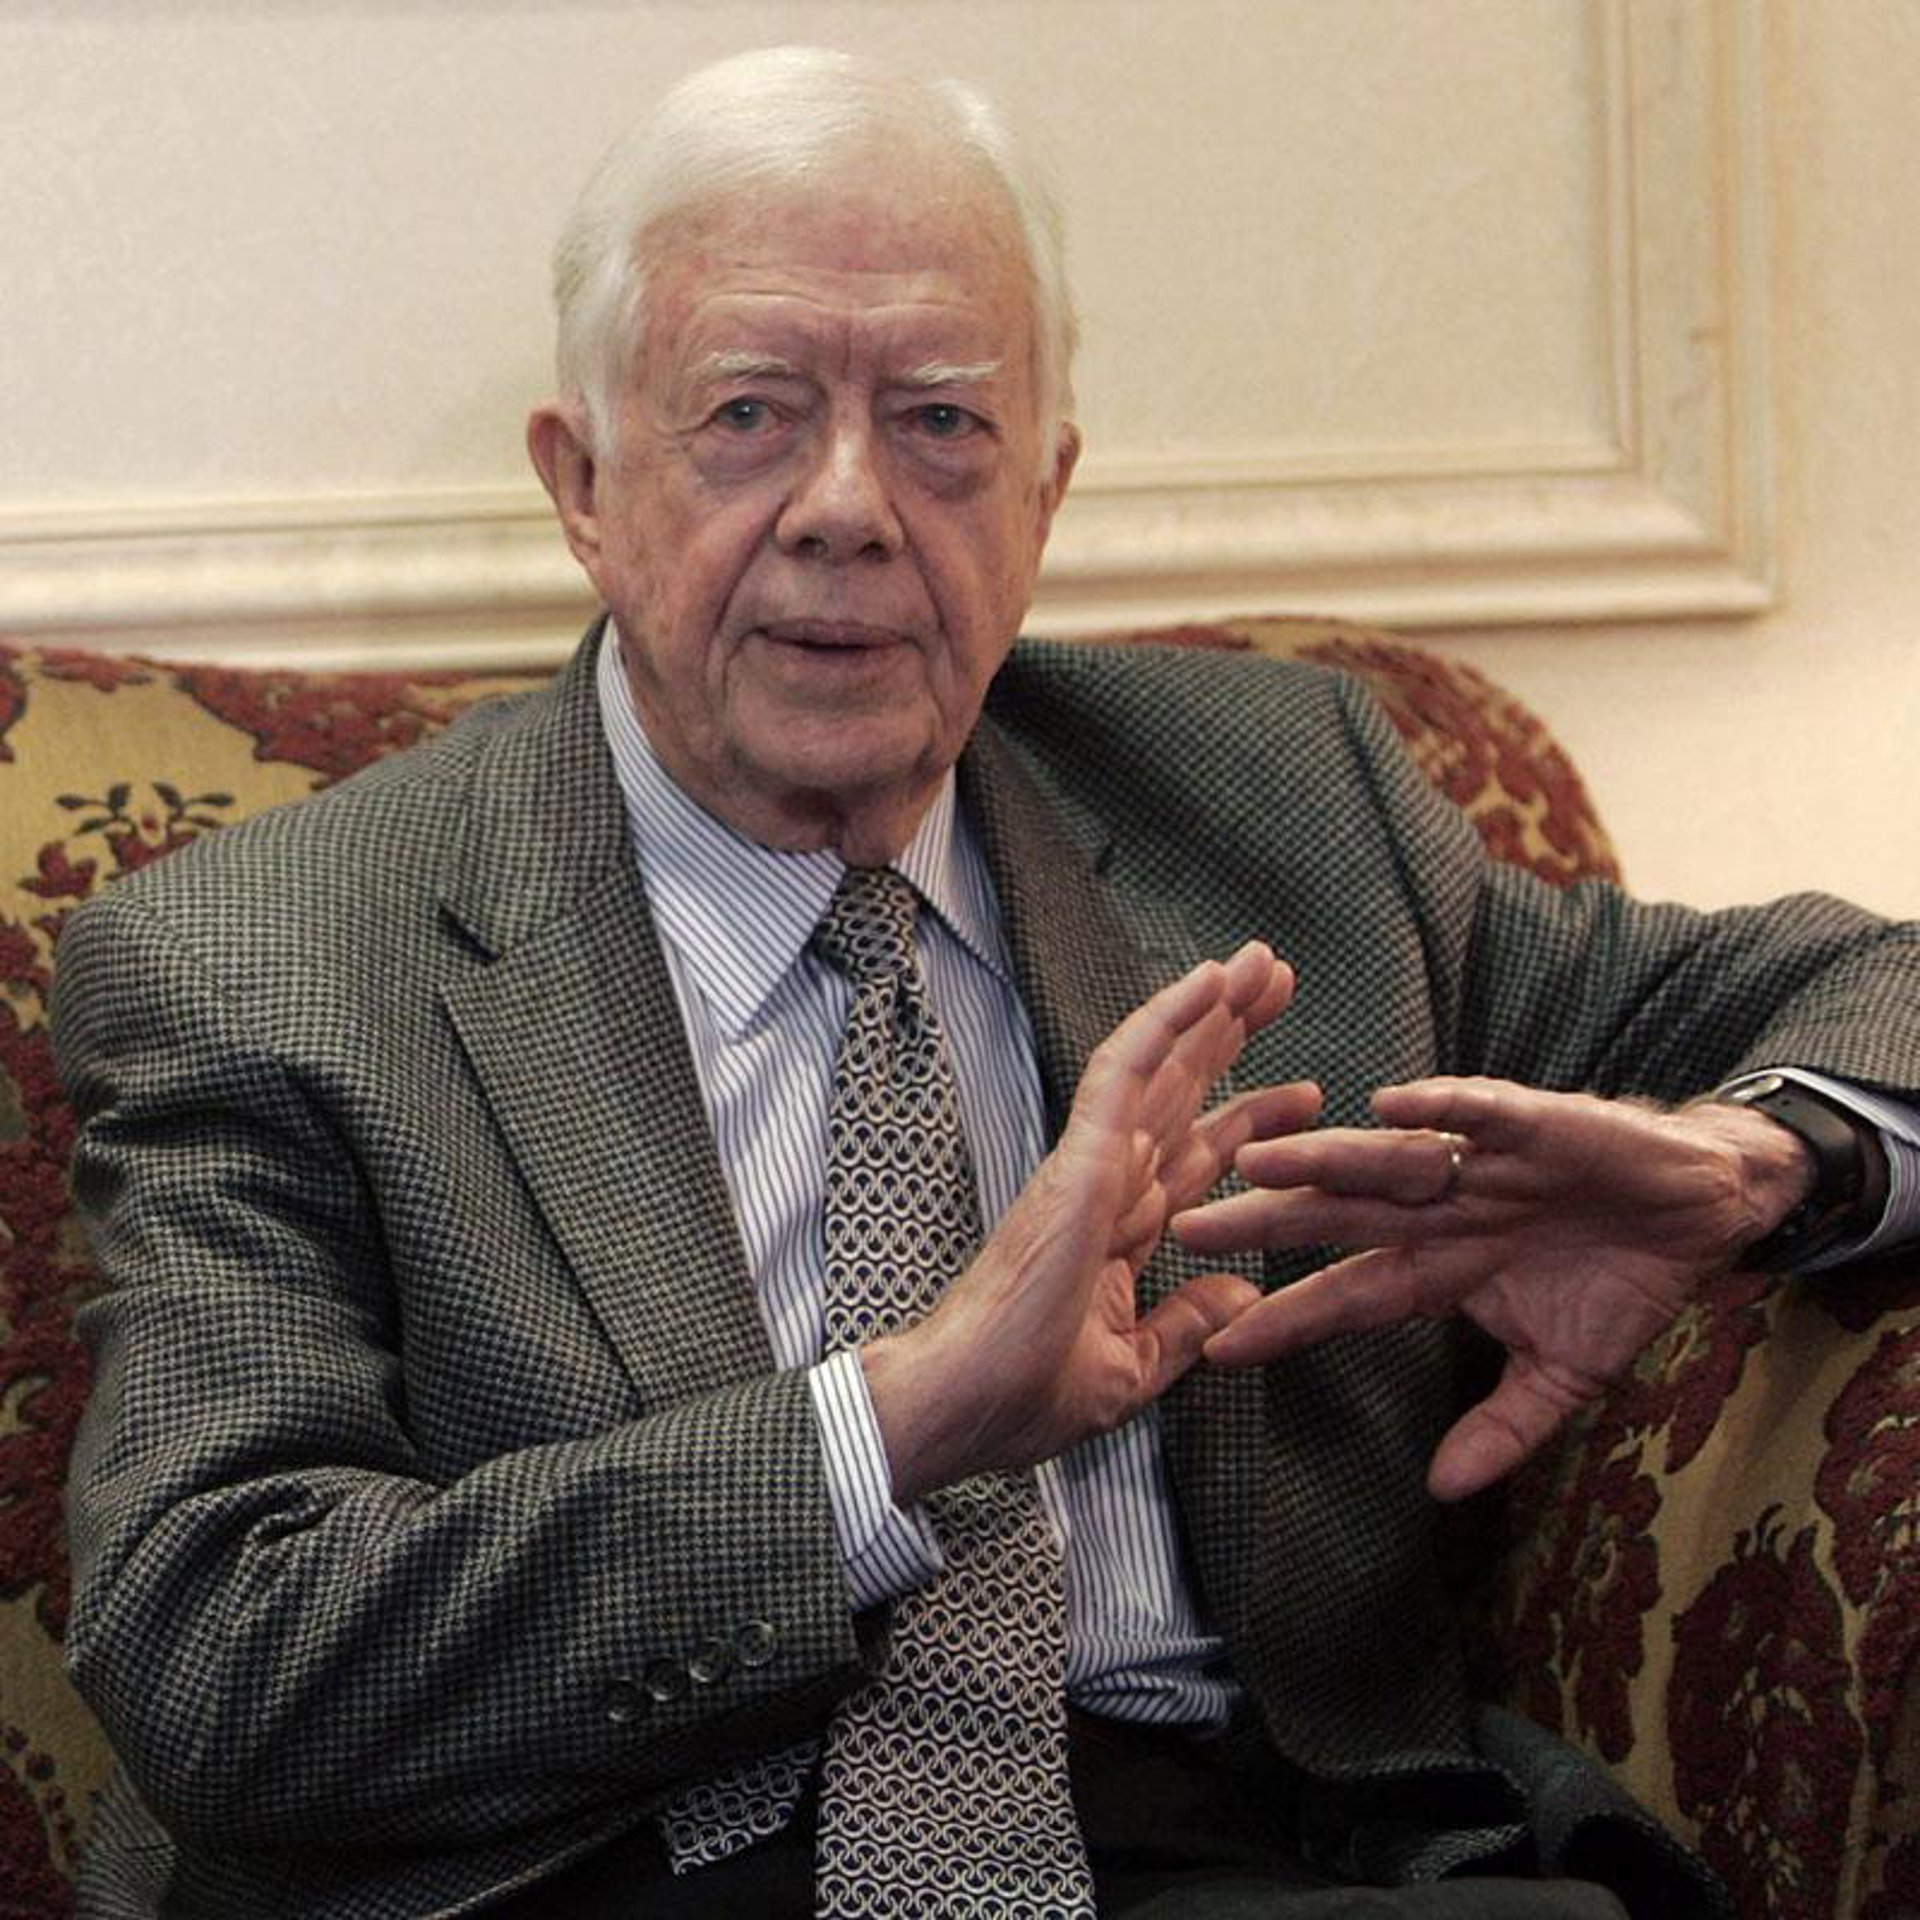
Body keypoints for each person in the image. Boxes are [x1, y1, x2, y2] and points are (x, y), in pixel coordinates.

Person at [51, 44, 1919, 1920]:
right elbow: (221, 1649)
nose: (848, 506)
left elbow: (1876, 982)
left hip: (1228, 1854)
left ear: (1046, 490)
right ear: (585, 484)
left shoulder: (1289, 814)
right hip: (600, 1866)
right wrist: (899, 1424)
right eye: (749, 415)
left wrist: (1754, 1163)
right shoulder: (274, 958)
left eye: (941, 422)